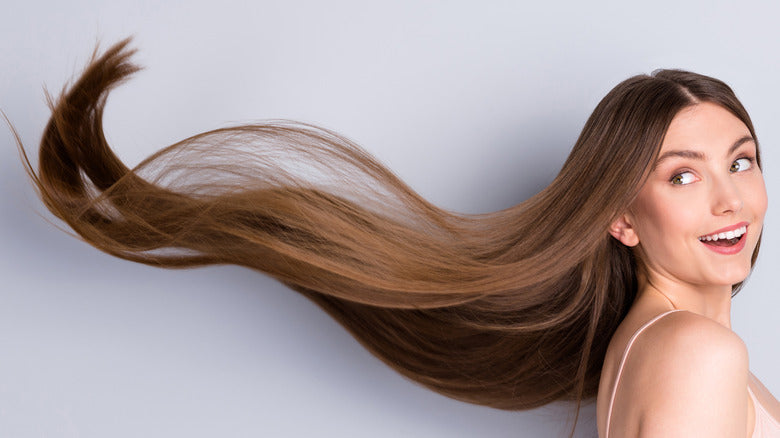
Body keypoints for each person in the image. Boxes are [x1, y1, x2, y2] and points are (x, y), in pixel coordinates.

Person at [13, 38, 780, 437]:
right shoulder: (696, 352)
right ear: (620, 217)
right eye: (682, 176)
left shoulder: (656, 343)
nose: (729, 198)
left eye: (740, 160)